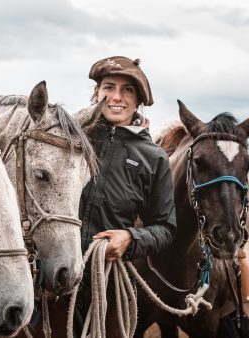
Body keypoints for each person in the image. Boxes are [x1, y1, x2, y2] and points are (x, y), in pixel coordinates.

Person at [73, 56, 177, 335]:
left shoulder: (152, 157)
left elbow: (165, 228)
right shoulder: (71, 137)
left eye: (127, 90)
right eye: (108, 87)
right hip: (56, 275)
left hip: (107, 283)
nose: (116, 97)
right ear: (97, 93)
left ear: (138, 100)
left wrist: (130, 238)